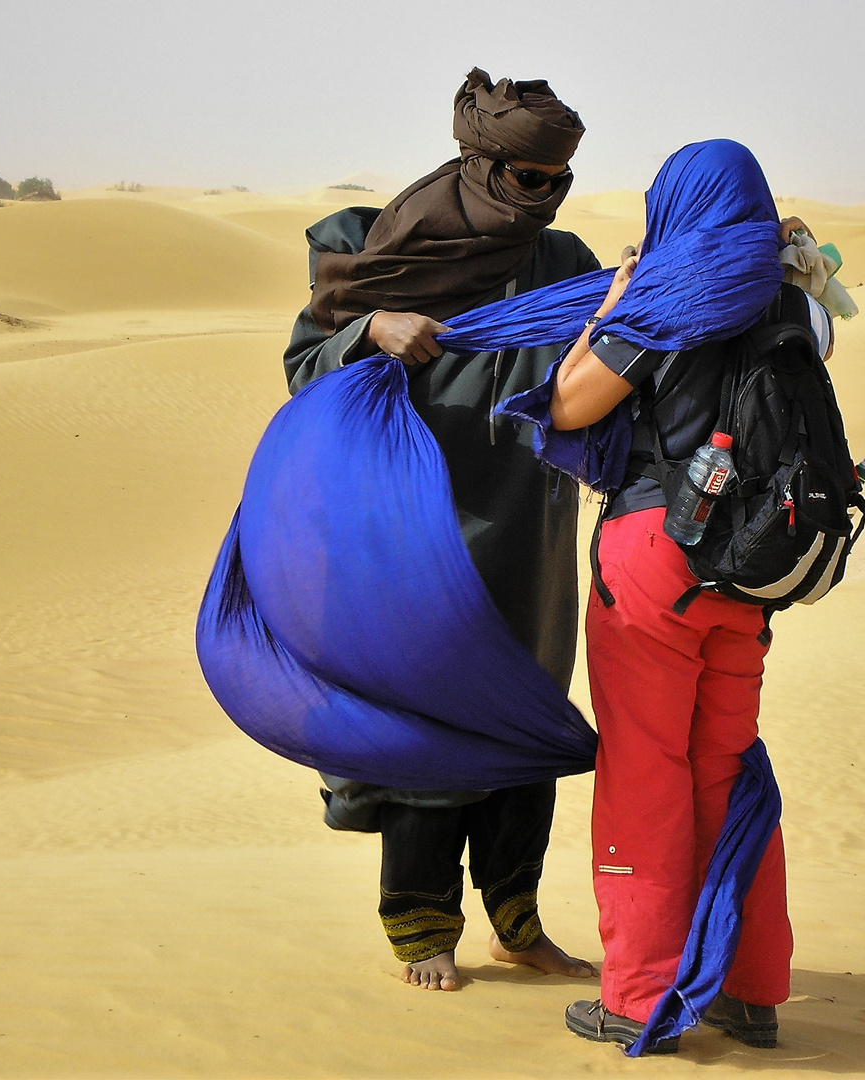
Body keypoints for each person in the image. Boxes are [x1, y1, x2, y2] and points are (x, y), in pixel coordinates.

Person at [282, 68, 600, 993]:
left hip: (526, 536)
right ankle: (421, 927)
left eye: (556, 180)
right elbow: (305, 366)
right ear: (479, 161)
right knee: (426, 733)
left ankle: (518, 921)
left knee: (519, 728)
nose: (542, 196)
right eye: (526, 178)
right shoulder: (369, 250)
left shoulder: (562, 263)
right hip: (409, 537)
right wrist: (368, 329)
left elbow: (620, 351)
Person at [543, 142, 833, 1053]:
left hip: (653, 558)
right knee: (724, 762)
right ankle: (749, 991)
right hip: (747, 570)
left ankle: (637, 995)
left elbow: (568, 405)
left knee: (646, 769)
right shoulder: (793, 304)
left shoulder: (674, 293)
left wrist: (610, 306)